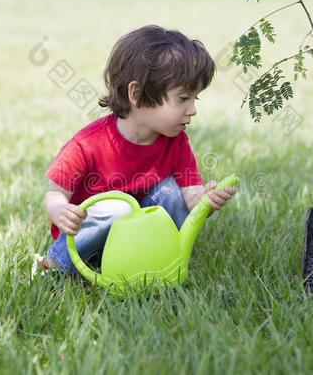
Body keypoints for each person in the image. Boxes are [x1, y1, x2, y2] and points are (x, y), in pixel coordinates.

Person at [32, 25, 236, 278]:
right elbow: (55, 194)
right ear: (137, 94)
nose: (193, 109)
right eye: (183, 99)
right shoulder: (89, 143)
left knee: (173, 192)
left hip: (137, 241)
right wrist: (61, 212)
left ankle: (158, 261)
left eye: (196, 99)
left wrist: (207, 200)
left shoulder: (177, 142)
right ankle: (54, 267)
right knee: (117, 207)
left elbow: (189, 197)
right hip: (90, 242)